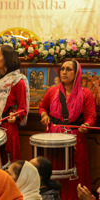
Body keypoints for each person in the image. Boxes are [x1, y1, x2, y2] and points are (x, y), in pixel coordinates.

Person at [39, 58, 96, 200]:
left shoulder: (86, 93)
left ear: (77, 73)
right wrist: (44, 115)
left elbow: (91, 117)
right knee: (54, 171)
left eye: (68, 69)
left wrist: (86, 126)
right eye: (62, 69)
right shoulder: (52, 91)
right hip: (53, 138)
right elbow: (42, 107)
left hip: (76, 139)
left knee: (75, 174)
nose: (64, 72)